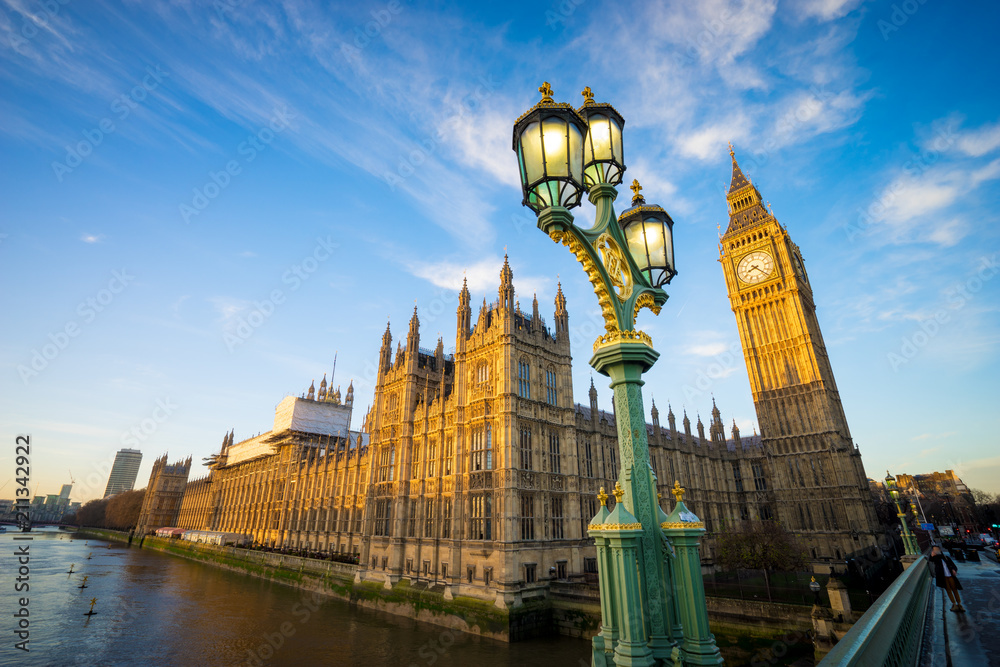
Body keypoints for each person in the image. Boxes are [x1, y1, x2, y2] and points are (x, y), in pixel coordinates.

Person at [929, 545, 965, 612]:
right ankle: (954, 604)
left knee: (954, 589)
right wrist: (932, 555)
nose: (936, 551)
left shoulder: (946, 557)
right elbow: (931, 560)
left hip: (950, 576)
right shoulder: (936, 559)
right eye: (934, 549)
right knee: (948, 590)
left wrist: (954, 570)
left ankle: (959, 604)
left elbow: (953, 566)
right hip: (943, 577)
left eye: (937, 549)